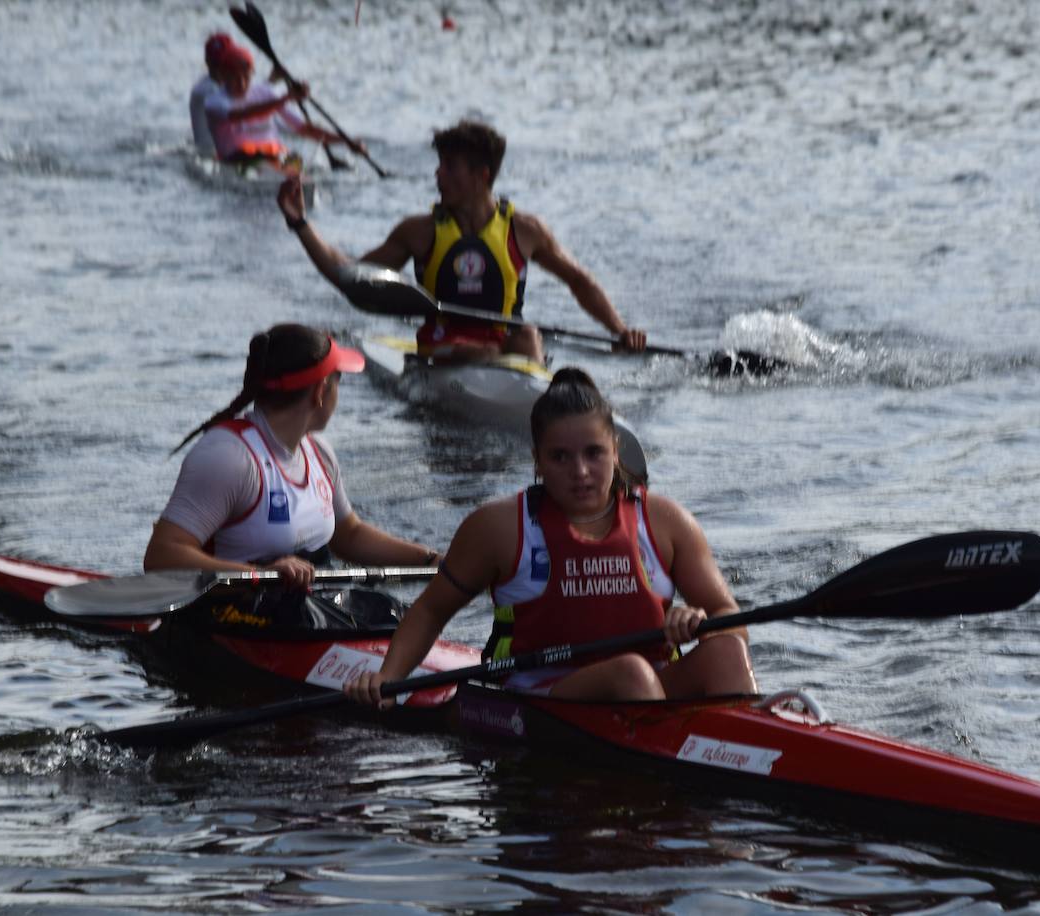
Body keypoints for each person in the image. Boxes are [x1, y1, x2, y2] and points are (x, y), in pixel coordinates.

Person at [344, 368, 756, 707]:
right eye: (561, 457)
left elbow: (728, 617)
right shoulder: (498, 527)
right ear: (537, 461)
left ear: (616, 450)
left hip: (651, 686)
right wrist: (387, 679)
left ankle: (750, 756)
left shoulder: (666, 521)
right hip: (545, 694)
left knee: (726, 652)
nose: (580, 472)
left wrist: (701, 625)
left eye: (593, 453)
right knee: (631, 671)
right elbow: (432, 610)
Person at [277, 120, 648, 364]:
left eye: (449, 166)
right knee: (495, 349)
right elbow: (349, 275)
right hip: (444, 353)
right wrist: (300, 223)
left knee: (528, 335)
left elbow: (579, 282)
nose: (437, 174)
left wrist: (619, 331)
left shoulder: (525, 229)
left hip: (505, 351)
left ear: (481, 175)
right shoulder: (419, 231)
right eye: (439, 164)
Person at [144, 323, 440, 591]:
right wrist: (258, 574)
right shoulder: (229, 458)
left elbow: (348, 535)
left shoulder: (319, 452)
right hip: (236, 615)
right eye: (339, 380)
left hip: (303, 612)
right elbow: (162, 555)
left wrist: (433, 561)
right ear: (321, 391)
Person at [200, 36, 368, 168]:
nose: (242, 82)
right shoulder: (213, 102)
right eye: (234, 76)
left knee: (296, 161)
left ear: (252, 74)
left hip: (274, 156)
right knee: (260, 157)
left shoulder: (265, 92)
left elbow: (305, 129)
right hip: (235, 159)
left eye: (246, 76)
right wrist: (287, 98)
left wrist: (346, 141)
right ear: (222, 76)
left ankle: (297, 184)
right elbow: (243, 115)